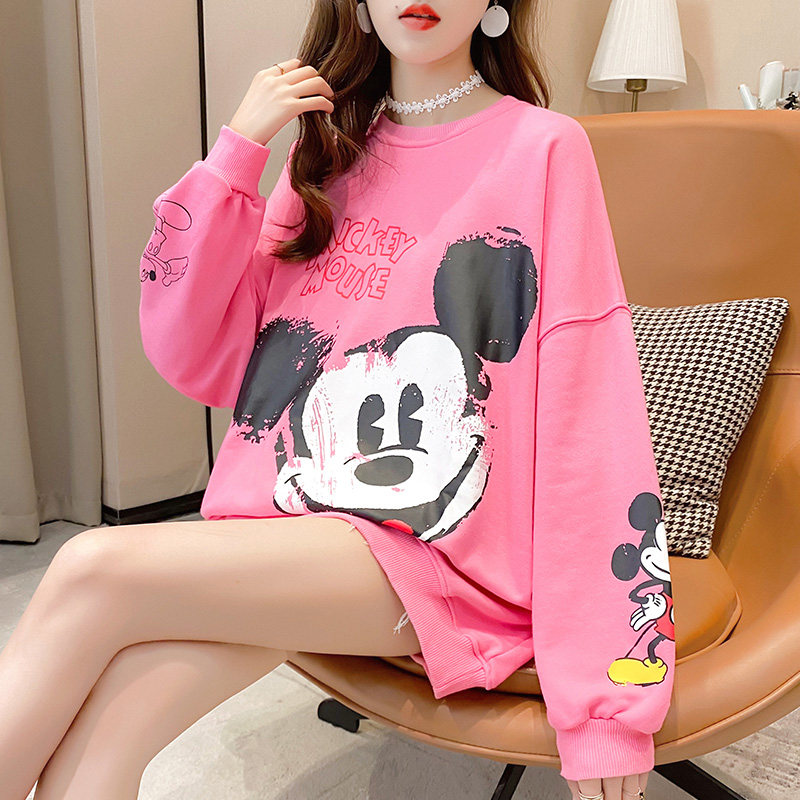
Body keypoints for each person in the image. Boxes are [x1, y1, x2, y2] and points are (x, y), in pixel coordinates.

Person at [0, 1, 674, 798]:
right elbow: (201, 352)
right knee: (102, 741)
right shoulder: (325, 155)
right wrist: (236, 154)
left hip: (437, 557)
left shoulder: (544, 149)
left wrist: (607, 710)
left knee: (90, 569)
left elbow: (589, 413)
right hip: (290, 528)